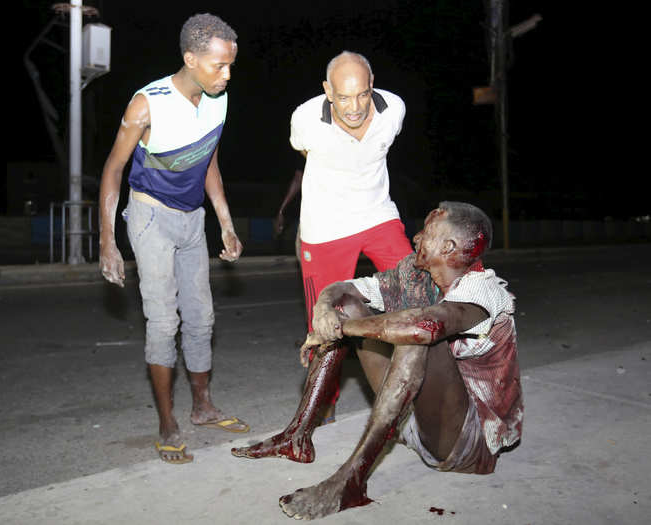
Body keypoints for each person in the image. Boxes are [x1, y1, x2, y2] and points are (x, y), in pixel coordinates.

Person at [232, 202, 523, 520]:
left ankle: (351, 480)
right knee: (346, 306)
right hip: (416, 423)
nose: (416, 237)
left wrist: (337, 330)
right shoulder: (414, 272)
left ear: (448, 246)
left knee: (416, 335)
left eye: (426, 231)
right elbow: (346, 288)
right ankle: (296, 437)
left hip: (466, 442)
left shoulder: (482, 290)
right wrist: (325, 312)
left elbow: (422, 329)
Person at [98, 13, 249, 465]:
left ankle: (202, 406)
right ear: (190, 58)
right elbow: (112, 170)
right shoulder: (147, 104)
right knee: (164, 323)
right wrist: (107, 240)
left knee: (201, 317)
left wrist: (225, 221)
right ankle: (167, 422)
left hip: (191, 219)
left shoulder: (217, 99)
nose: (227, 75)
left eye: (230, 65)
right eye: (218, 65)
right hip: (150, 218)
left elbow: (209, 164)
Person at [289, 51, 415, 423]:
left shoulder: (393, 109)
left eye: (361, 94)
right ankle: (323, 406)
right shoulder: (306, 120)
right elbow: (301, 151)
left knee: (419, 292)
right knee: (324, 324)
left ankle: (422, 385)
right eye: (343, 97)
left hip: (378, 215)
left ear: (371, 85)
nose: (354, 106)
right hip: (326, 227)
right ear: (328, 91)